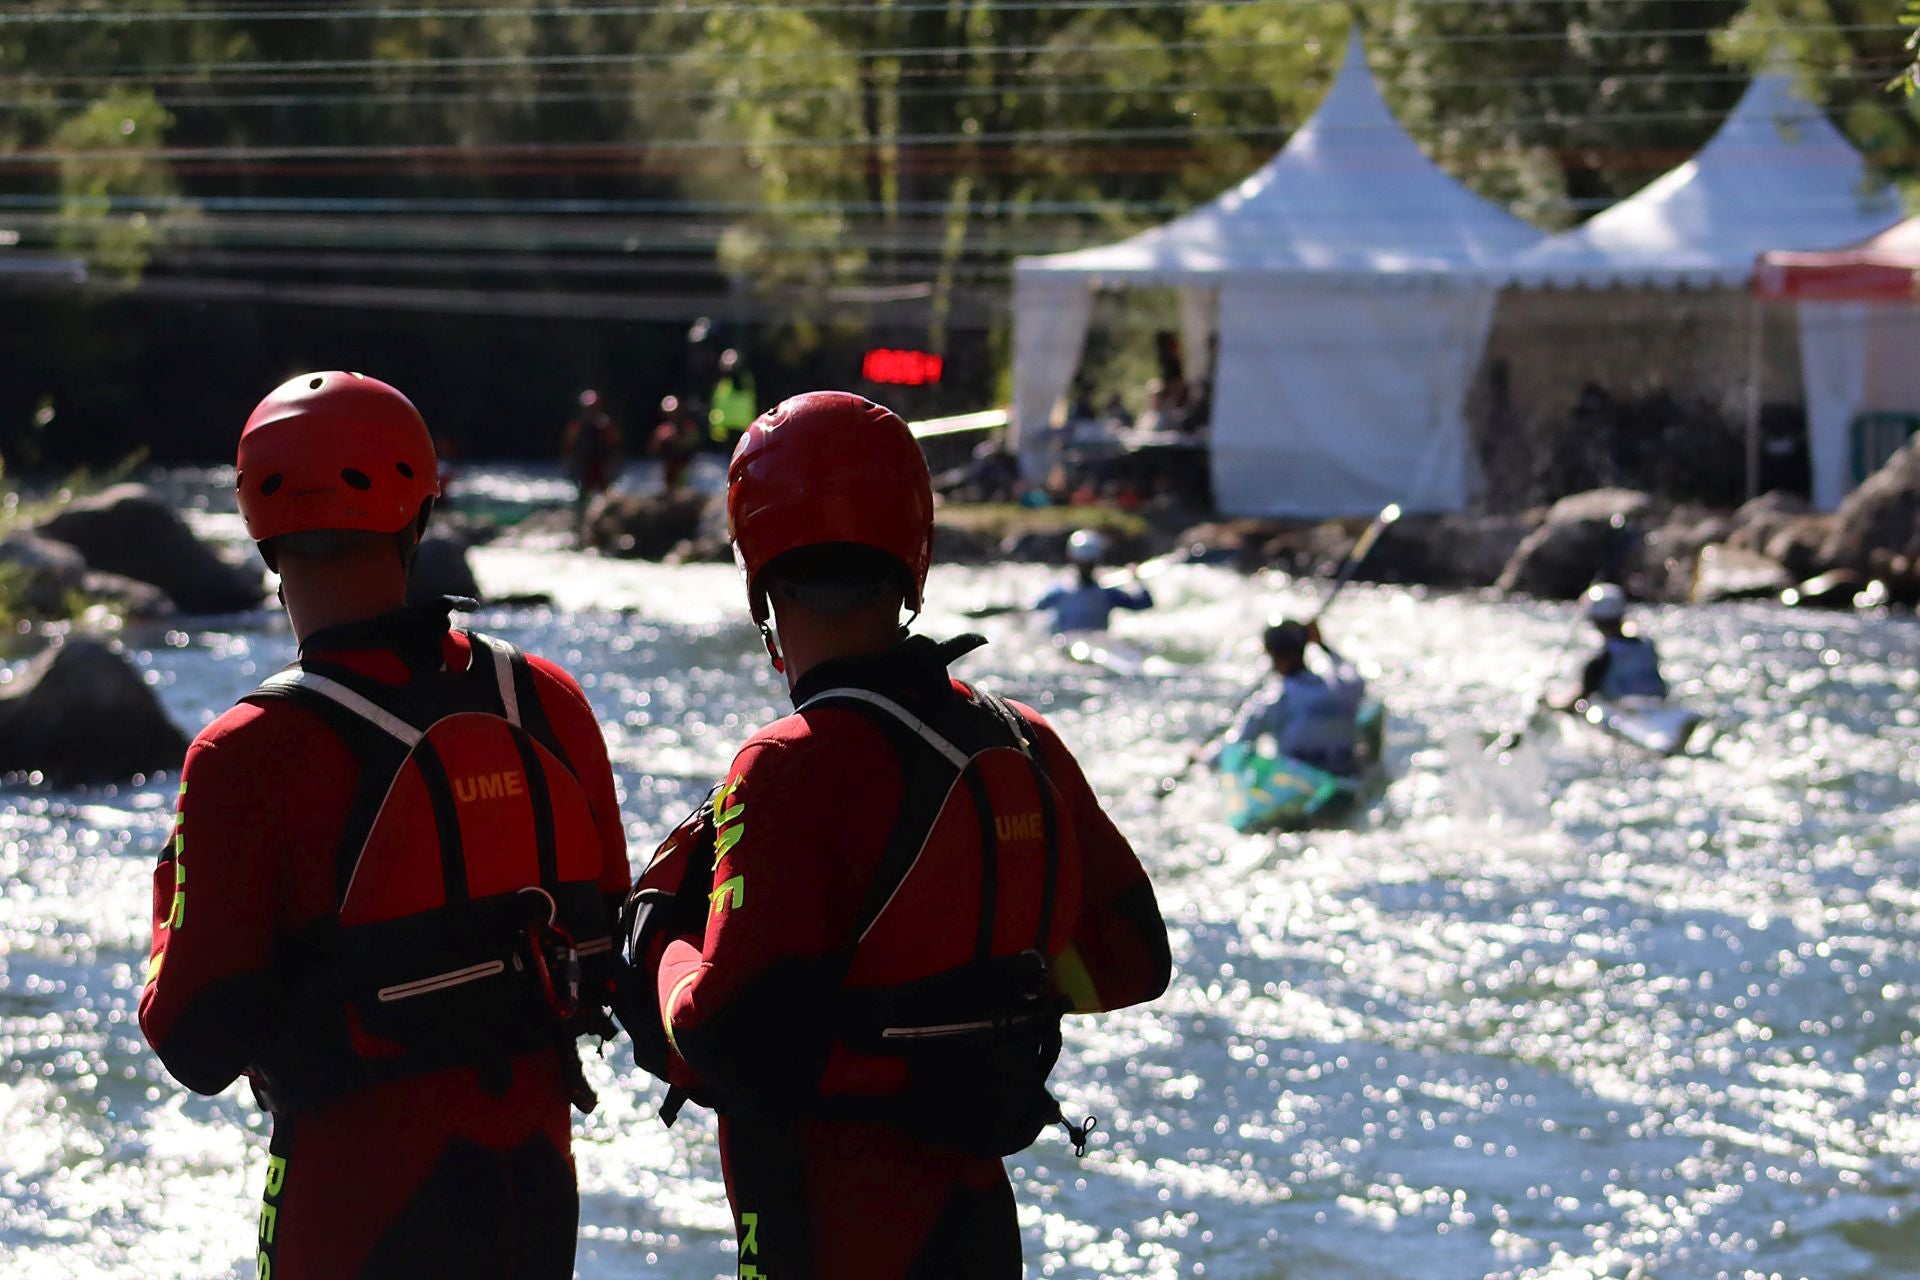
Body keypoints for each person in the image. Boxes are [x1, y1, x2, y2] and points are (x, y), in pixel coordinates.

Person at [621, 391, 1171, 1279]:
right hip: (974, 1220)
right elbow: (1134, 962)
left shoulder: (786, 762)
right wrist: (975, 1010)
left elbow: (722, 1033)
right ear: (914, 559)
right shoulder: (1019, 737)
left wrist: (658, 946)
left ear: (756, 569)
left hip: (824, 1221)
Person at [140, 372, 631, 1280]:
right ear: (420, 516)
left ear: (262, 535)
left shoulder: (247, 752)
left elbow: (194, 1038)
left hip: (353, 1203)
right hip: (535, 1192)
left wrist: (171, 893)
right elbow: (607, 943)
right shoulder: (549, 702)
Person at [1217, 619, 1368, 775]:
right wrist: (1322, 645)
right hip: (1346, 775)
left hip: (1301, 786)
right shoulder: (1342, 688)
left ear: (1272, 655)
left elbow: (1236, 745)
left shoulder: (1274, 700)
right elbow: (1353, 675)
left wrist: (1202, 757)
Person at [1033, 529, 1153, 633]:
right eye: (1083, 564)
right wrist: (1137, 580)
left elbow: (1145, 604)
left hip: (1090, 649)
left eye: (1087, 564)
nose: (1085, 568)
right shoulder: (1060, 593)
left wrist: (1136, 580)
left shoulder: (1107, 594)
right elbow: (1145, 603)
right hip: (1080, 647)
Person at [1570, 582, 1667, 704]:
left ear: (1595, 621)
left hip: (1621, 714)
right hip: (1659, 707)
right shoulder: (1647, 646)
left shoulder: (1600, 661)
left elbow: (1582, 700)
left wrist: (1552, 707)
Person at [561, 388, 621, 543]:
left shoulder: (605, 426)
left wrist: (614, 468)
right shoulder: (576, 427)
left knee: (604, 500)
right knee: (582, 499)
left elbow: (615, 448)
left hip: (601, 469)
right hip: (585, 470)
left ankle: (605, 531)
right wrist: (570, 467)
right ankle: (579, 532)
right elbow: (569, 448)